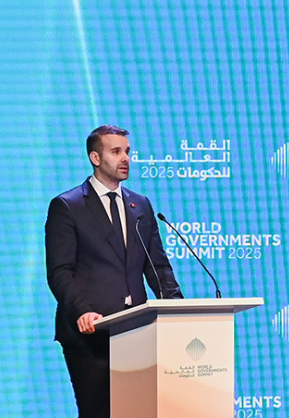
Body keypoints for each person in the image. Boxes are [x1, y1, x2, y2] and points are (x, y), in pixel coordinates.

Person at [45, 124, 184, 418]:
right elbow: (60, 271)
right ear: (95, 158)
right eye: (116, 151)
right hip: (91, 334)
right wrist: (83, 311)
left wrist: (177, 308)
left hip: (136, 331)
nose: (125, 159)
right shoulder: (67, 206)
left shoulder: (140, 205)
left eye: (128, 152)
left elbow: (157, 266)